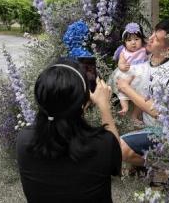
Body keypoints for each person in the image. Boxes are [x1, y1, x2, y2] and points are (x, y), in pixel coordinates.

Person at [16, 58, 121, 203]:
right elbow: (116, 164)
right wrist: (104, 106)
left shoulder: (24, 140)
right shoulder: (102, 144)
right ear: (84, 103)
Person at [116, 19, 169, 167]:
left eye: (157, 39)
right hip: (147, 127)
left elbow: (159, 112)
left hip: (166, 132)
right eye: (153, 33)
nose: (150, 38)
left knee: (118, 147)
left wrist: (126, 88)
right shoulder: (145, 61)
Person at [110, 23, 148, 124]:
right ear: (124, 42)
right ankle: (125, 107)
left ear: (142, 40)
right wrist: (122, 66)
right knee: (122, 92)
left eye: (136, 39)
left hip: (142, 75)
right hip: (128, 73)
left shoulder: (144, 49)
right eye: (129, 40)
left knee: (141, 95)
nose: (133, 43)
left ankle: (134, 115)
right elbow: (120, 63)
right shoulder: (123, 52)